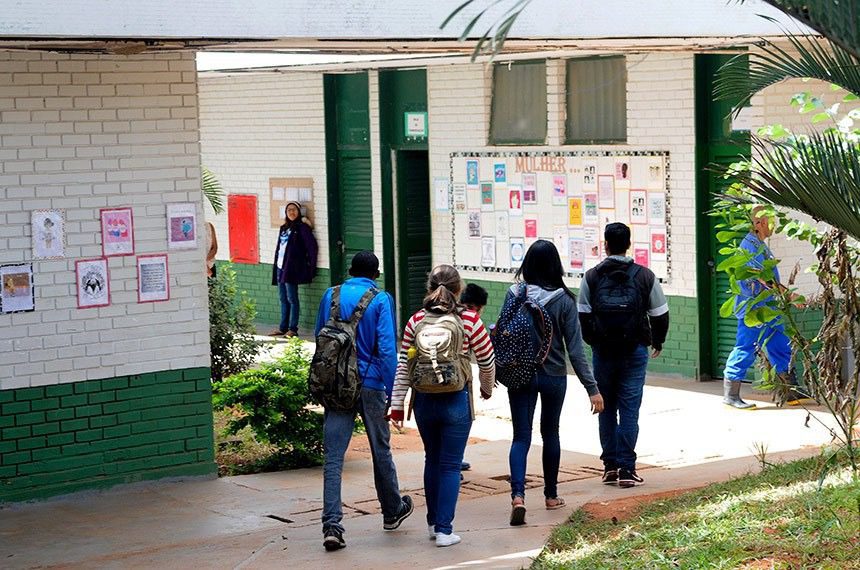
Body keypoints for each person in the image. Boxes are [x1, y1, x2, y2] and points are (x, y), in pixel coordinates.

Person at [499, 240, 604, 526]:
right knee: (551, 434)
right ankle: (551, 495)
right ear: (555, 265)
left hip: (519, 373)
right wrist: (592, 388)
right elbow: (576, 350)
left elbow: (501, 331)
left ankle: (518, 497)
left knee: (521, 436)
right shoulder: (564, 300)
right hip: (553, 375)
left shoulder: (514, 293)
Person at [314, 251, 413, 552]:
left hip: (337, 386)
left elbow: (321, 338)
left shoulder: (330, 295)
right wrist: (394, 394)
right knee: (380, 450)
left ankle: (332, 526)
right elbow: (386, 350)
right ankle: (391, 511)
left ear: (349, 270)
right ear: (376, 274)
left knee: (333, 457)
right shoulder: (380, 300)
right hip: (369, 386)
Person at [390, 265, 495, 547]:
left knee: (432, 460)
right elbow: (487, 361)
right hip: (456, 400)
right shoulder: (470, 320)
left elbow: (404, 363)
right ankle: (445, 531)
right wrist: (486, 390)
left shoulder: (416, 320)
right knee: (450, 466)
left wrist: (397, 403)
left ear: (430, 287)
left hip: (423, 401)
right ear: (459, 289)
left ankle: (432, 523)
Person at [578, 223, 669, 489]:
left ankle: (609, 467)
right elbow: (660, 313)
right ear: (629, 244)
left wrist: (594, 341)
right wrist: (658, 340)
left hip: (603, 352)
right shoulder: (644, 276)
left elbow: (583, 314)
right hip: (634, 351)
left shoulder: (592, 277)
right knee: (629, 410)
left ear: (605, 244)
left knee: (605, 408)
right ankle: (627, 469)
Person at [723, 207, 807, 409]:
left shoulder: (760, 245)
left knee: (780, 344)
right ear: (758, 223)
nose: (774, 225)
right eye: (770, 221)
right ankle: (731, 395)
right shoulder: (749, 247)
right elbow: (764, 278)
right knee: (746, 348)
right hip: (753, 309)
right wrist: (791, 296)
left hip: (769, 308)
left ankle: (789, 390)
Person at [271, 202, 318, 337]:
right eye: (289, 210)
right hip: (280, 267)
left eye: (294, 210)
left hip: (292, 269)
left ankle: (293, 328)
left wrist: (311, 267)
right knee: (283, 298)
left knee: (292, 298)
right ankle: (283, 327)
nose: (291, 212)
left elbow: (312, 247)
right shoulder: (283, 228)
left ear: (299, 212)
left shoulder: (302, 228)